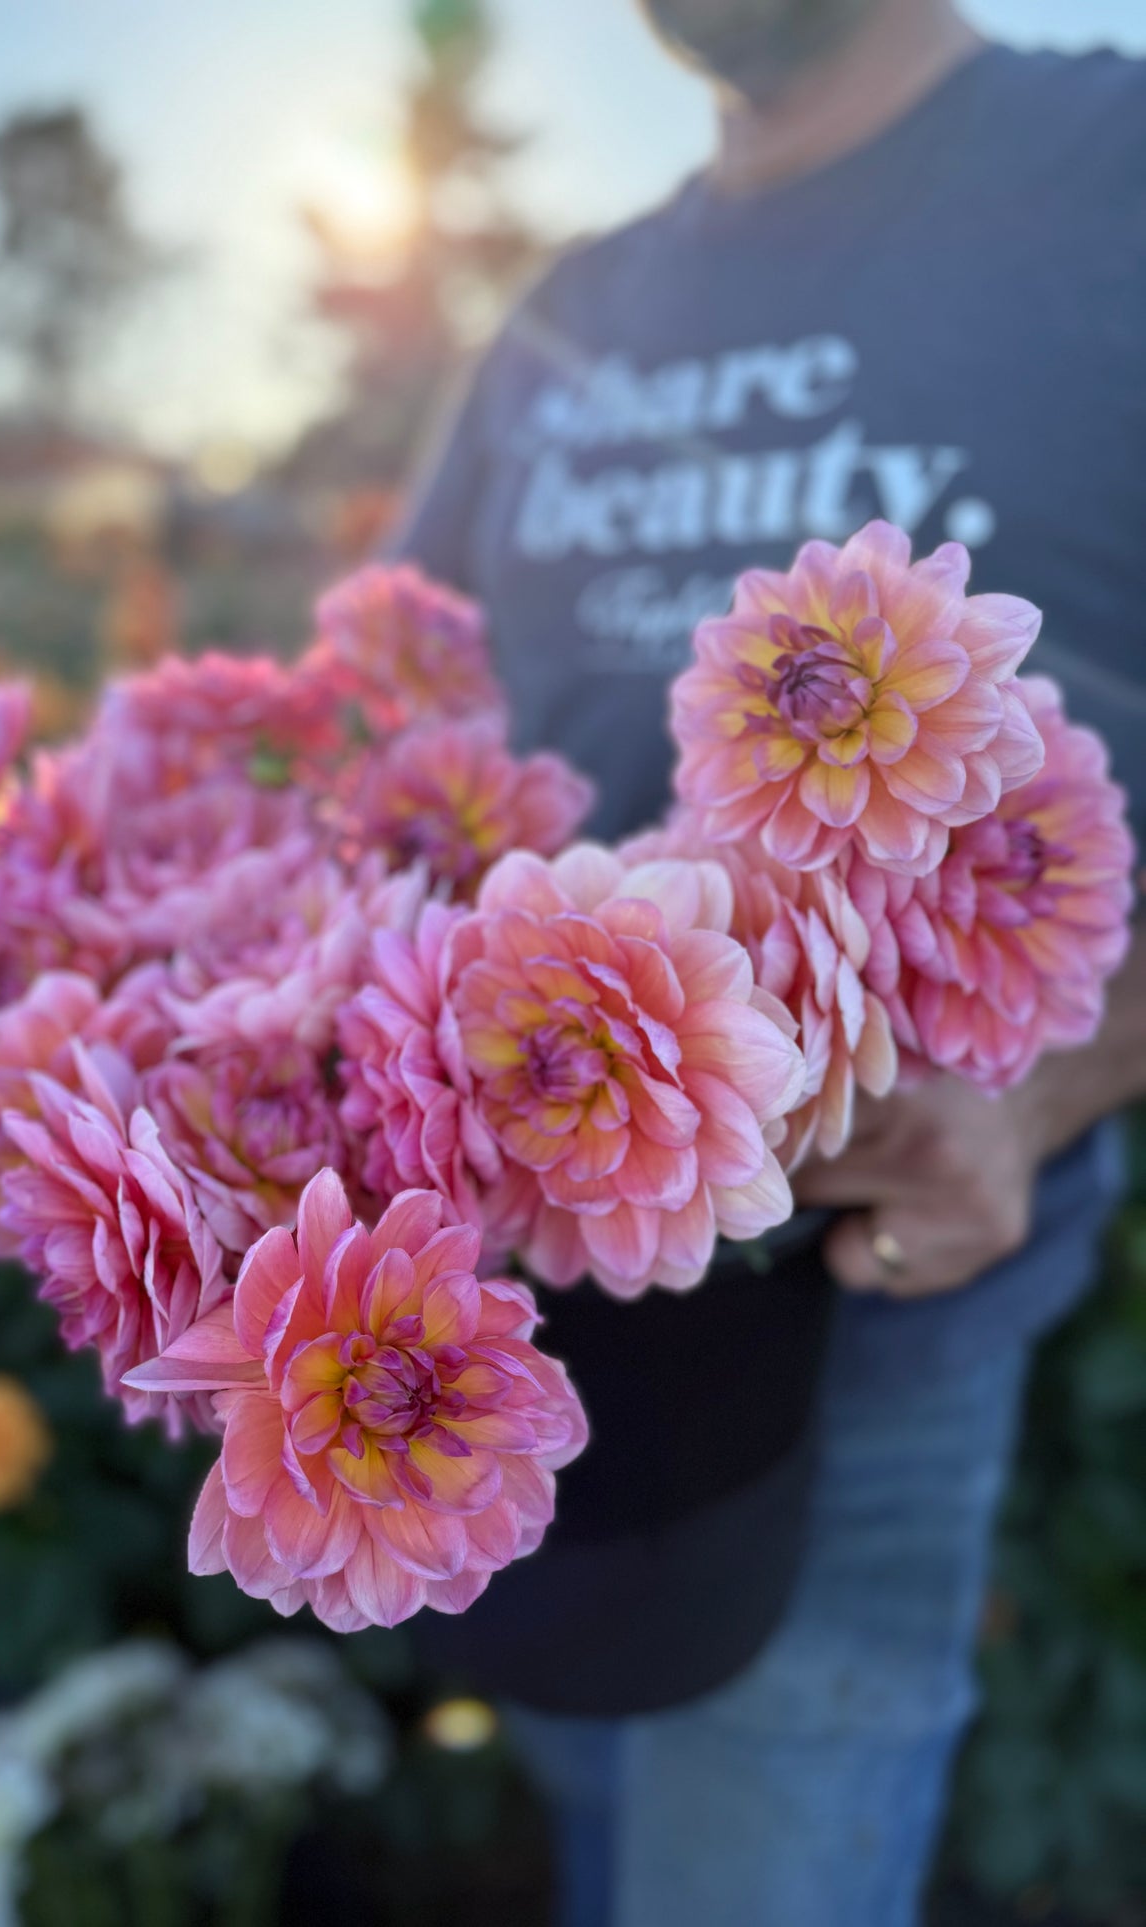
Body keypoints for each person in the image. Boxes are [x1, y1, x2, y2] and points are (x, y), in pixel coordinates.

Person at [395, 1, 1146, 1921]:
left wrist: (1063, 1067)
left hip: (862, 1309)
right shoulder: (569, 305)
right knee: (583, 1793)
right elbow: (387, 719)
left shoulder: (1110, 170)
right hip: (508, 1308)